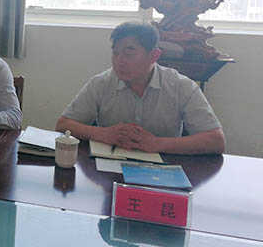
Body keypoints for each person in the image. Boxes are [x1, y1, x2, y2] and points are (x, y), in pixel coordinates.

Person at [56, 22, 225, 155]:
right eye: (115, 53)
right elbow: (63, 125)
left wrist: (157, 143)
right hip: (110, 167)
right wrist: (103, 134)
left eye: (129, 54)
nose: (119, 61)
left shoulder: (181, 86)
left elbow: (216, 141)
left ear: (154, 56)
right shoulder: (101, 83)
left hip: (163, 170)